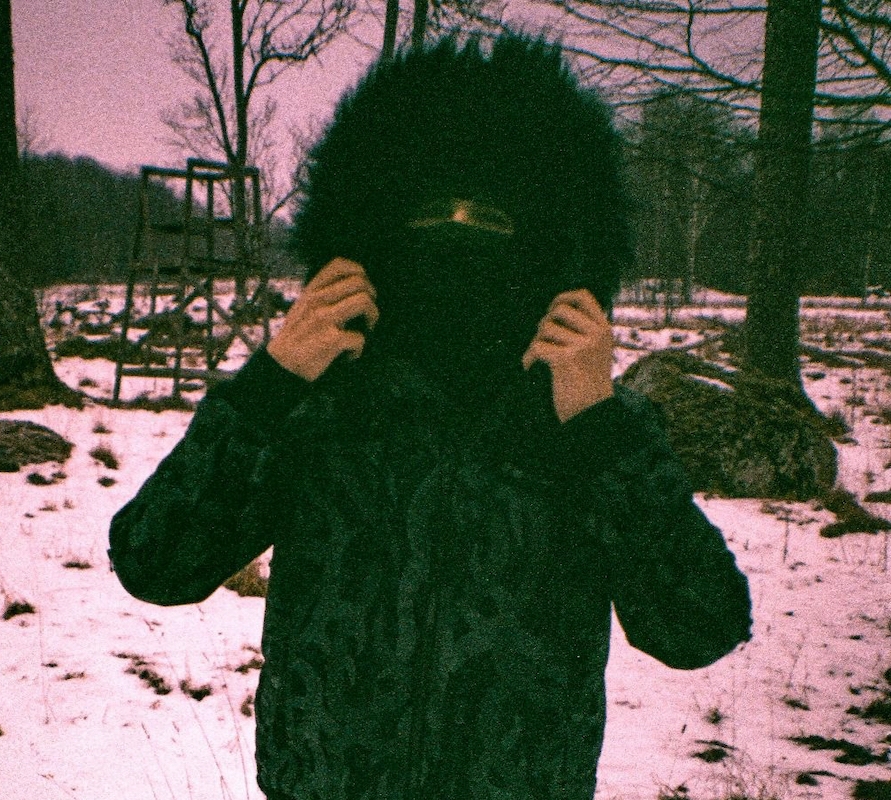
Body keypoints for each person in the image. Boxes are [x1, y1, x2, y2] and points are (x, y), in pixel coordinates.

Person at [109, 32, 752, 800]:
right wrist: (268, 386)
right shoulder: (319, 405)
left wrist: (598, 430)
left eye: (489, 217)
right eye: (429, 213)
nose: (456, 237)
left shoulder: (584, 423)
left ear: (549, 237)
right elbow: (155, 563)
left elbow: (698, 627)